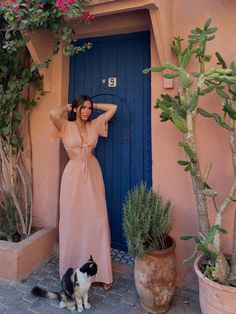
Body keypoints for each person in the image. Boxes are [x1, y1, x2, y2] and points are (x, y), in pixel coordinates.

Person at [50, 95, 117, 290]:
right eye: (83, 107)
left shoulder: (95, 125)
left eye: (89, 108)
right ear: (76, 109)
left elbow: (113, 108)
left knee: (98, 220)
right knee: (73, 222)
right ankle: (71, 273)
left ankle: (102, 274)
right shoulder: (65, 125)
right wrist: (69, 107)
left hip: (93, 175)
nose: (87, 111)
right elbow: (52, 113)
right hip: (72, 178)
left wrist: (95, 104)